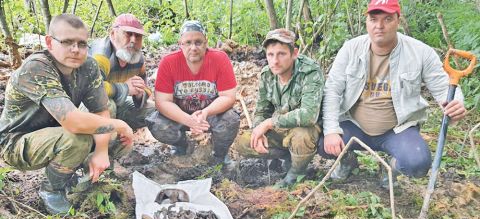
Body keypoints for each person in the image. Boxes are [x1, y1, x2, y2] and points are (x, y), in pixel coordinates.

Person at [318, 0, 466, 187]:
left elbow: (444, 86)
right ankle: (347, 159)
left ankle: (392, 167)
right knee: (323, 142)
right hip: (354, 125)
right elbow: (333, 90)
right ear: (367, 22)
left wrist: (455, 104)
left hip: (397, 129)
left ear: (398, 19)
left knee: (417, 164)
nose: (379, 26)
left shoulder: (421, 52)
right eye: (373, 19)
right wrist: (331, 131)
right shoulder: (351, 48)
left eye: (387, 19)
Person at [0, 14, 134, 214]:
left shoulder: (88, 66)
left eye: (81, 43)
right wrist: (121, 125)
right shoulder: (37, 67)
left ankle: (86, 173)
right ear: (49, 42)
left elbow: (100, 110)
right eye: (67, 42)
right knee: (79, 137)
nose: (75, 49)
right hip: (16, 141)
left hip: (56, 130)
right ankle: (51, 189)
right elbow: (73, 122)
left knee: (111, 121)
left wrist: (102, 150)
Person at [236, 29, 324, 187]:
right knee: (244, 142)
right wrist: (259, 129)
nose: (275, 61)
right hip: (281, 127)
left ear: (294, 53)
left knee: (301, 136)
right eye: (270, 55)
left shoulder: (309, 71)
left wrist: (269, 123)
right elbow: (262, 110)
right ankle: (289, 157)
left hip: (307, 128)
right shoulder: (267, 74)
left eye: (281, 54)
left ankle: (296, 174)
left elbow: (309, 115)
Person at [146, 20, 239, 166]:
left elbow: (228, 97)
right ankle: (181, 145)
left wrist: (206, 112)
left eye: (198, 42)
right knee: (157, 124)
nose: (193, 47)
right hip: (179, 115)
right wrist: (187, 119)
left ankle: (219, 154)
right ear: (180, 44)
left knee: (231, 120)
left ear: (206, 42)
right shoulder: (168, 62)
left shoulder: (220, 59)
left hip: (210, 115)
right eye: (188, 42)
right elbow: (162, 102)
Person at [89, 13, 155, 130]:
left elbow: (146, 88)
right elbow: (93, 90)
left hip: (118, 103)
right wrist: (125, 88)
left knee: (154, 110)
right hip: (89, 108)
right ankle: (105, 144)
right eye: (128, 34)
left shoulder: (137, 58)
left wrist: (140, 93)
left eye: (138, 36)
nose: (133, 40)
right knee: (108, 105)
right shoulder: (101, 55)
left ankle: (119, 133)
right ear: (113, 34)